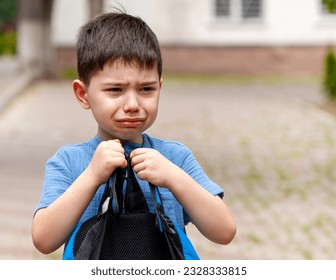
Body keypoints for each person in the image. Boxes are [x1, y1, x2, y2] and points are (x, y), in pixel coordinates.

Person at [32, 11, 236, 258]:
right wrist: (92, 176)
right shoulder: (68, 161)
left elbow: (224, 231)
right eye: (115, 90)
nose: (132, 104)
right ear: (83, 95)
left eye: (146, 89)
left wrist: (173, 177)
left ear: (160, 87)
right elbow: (43, 239)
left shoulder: (174, 157)